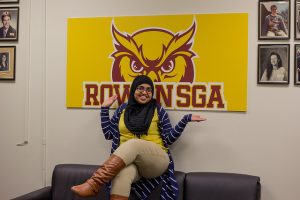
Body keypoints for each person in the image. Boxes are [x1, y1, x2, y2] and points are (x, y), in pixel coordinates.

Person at [71, 75, 206, 200]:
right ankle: (96, 186)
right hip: (132, 162)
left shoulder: (158, 110)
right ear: (133, 90)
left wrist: (185, 120)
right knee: (121, 175)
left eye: (148, 90)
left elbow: (169, 139)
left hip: (156, 161)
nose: (145, 92)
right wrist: (104, 109)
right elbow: (109, 134)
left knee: (133, 143)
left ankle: (95, 184)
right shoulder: (122, 109)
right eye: (140, 88)